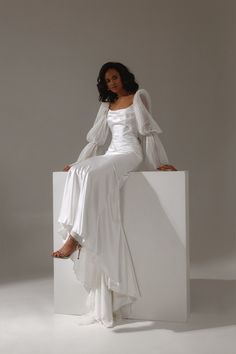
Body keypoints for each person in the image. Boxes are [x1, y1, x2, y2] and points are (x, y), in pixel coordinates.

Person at [51, 62, 177, 327]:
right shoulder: (106, 106)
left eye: (115, 77)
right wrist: (78, 162)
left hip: (130, 154)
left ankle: (74, 238)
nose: (112, 83)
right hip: (110, 154)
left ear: (123, 76)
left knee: (95, 174)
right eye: (107, 80)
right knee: (79, 172)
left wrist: (158, 163)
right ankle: (78, 232)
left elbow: (148, 133)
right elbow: (96, 142)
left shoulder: (138, 97)